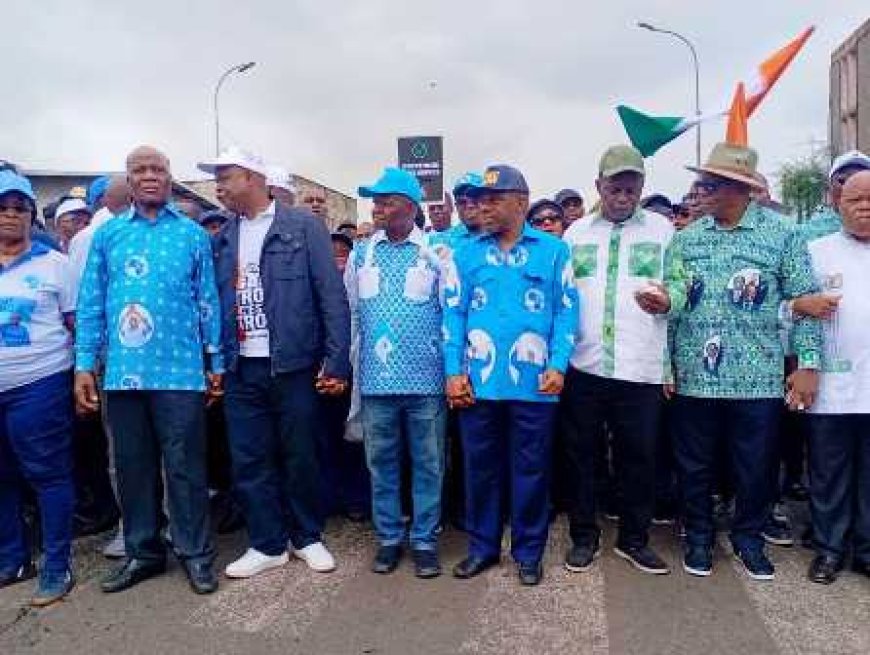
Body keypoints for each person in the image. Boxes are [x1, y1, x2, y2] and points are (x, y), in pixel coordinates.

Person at [658, 142, 823, 581]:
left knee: (755, 466)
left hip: (758, 379)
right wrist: (667, 367)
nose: (700, 193)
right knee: (694, 466)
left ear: (739, 189)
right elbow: (672, 305)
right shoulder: (686, 239)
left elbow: (805, 303)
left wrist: (807, 364)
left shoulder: (782, 234)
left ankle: (749, 538)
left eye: (709, 185)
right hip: (695, 377)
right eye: (701, 184)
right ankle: (698, 536)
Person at [75, 145, 223, 595]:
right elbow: (91, 303)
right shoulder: (109, 236)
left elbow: (208, 300)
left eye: (158, 168)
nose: (150, 176)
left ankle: (196, 553)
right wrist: (84, 365)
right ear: (129, 180)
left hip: (180, 372)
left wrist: (215, 361)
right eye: (140, 170)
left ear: (169, 176)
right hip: (122, 373)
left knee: (185, 468)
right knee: (134, 468)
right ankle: (143, 552)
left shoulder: (192, 234)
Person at [203, 146, 350, 578]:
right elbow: (214, 303)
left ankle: (307, 536)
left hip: (293, 364)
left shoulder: (301, 226)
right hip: (240, 366)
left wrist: (336, 360)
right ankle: (267, 544)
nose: (220, 186)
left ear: (251, 177)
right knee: (250, 457)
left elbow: (331, 296)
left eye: (225, 176)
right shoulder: (224, 236)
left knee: (300, 453)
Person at [445, 165, 579, 586]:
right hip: (479, 384)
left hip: (534, 384)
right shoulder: (465, 253)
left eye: (492, 199)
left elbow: (566, 311)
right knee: (480, 469)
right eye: (479, 199)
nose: (482, 206)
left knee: (531, 469)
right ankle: (482, 548)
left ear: (521, 202)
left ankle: (528, 552)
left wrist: (558, 365)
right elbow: (453, 312)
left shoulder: (553, 251)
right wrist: (453, 372)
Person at [560, 145, 674, 575]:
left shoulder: (663, 232)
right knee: (581, 456)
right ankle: (583, 537)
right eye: (615, 184)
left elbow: (681, 287)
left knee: (639, 457)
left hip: (639, 366)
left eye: (632, 184)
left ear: (642, 186)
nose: (623, 192)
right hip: (585, 365)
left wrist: (668, 299)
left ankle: (633, 539)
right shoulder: (576, 235)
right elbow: (565, 297)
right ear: (599, 186)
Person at [345, 167, 447, 578]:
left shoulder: (436, 252)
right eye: (376, 201)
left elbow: (450, 313)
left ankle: (424, 540)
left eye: (385, 201)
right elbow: (352, 313)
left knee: (429, 464)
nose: (377, 208)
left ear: (409, 206)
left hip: (426, 382)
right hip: (375, 383)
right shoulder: (361, 254)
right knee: (381, 465)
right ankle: (389, 538)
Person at [0, 170, 77, 606]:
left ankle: (56, 565)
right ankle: (11, 559)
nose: (10, 215)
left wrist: (83, 374)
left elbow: (75, 323)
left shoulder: (55, 265)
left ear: (32, 216)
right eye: (3, 208)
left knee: (48, 474)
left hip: (39, 384)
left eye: (20, 209)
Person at [803, 170, 870, 584]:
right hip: (831, 384)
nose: (864, 208)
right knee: (828, 471)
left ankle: (865, 549)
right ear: (837, 204)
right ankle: (829, 549)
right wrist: (804, 368)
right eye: (855, 200)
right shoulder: (816, 251)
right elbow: (794, 313)